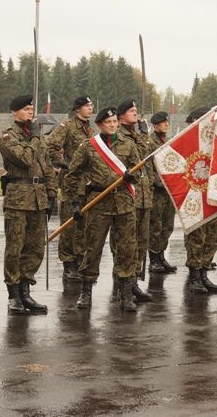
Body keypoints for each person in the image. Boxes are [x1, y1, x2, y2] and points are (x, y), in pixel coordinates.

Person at [65, 107, 141, 311]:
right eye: (108, 122)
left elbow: (139, 170)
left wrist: (131, 177)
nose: (113, 124)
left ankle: (126, 295)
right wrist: (75, 201)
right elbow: (72, 174)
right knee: (93, 248)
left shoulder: (129, 145)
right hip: (98, 202)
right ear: (99, 125)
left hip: (124, 203)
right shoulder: (89, 147)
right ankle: (86, 291)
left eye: (115, 121)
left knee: (127, 249)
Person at [0, 95, 57, 315]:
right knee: (15, 248)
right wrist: (34, 137)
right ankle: (13, 295)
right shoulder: (8, 136)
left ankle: (25, 291)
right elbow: (25, 158)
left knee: (35, 248)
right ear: (15, 113)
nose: (30, 112)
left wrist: (51, 193)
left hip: (38, 198)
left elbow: (47, 166)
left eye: (32, 108)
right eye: (26, 109)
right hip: (18, 199)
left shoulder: (37, 136)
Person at [46, 95, 94, 283]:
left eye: (91, 106)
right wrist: (64, 164)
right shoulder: (67, 126)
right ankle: (68, 264)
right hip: (72, 182)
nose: (90, 108)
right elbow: (51, 146)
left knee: (84, 223)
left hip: (87, 181)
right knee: (69, 222)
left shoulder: (89, 128)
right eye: (87, 106)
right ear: (77, 109)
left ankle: (80, 260)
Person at [116, 99, 154, 303]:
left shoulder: (138, 135)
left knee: (141, 242)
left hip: (144, 197)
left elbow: (146, 159)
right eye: (132, 111)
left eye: (136, 111)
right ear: (121, 115)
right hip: (127, 197)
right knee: (126, 244)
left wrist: (143, 134)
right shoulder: (117, 136)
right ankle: (122, 282)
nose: (136, 114)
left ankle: (134, 283)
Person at [182, 107, 217, 293]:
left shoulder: (215, 140)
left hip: (212, 193)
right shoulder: (185, 140)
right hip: (193, 195)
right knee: (196, 238)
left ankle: (204, 272)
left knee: (213, 236)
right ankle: (194, 276)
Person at [148, 111, 177, 273]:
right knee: (155, 225)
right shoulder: (149, 143)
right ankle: (153, 259)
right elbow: (145, 166)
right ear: (155, 125)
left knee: (168, 225)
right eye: (163, 122)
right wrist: (155, 181)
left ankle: (161, 255)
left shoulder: (167, 142)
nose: (167, 124)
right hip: (156, 192)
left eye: (167, 122)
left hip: (168, 190)